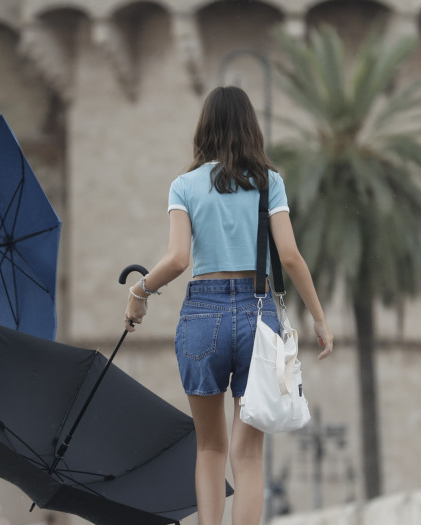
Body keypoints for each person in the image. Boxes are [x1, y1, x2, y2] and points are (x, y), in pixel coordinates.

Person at [123, 86, 334, 525]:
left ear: (205, 128)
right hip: (259, 315)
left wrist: (138, 293)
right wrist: (318, 318)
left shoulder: (184, 186)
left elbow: (179, 259)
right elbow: (290, 257)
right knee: (248, 454)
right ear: (250, 129)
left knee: (210, 447)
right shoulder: (267, 183)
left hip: (202, 315)